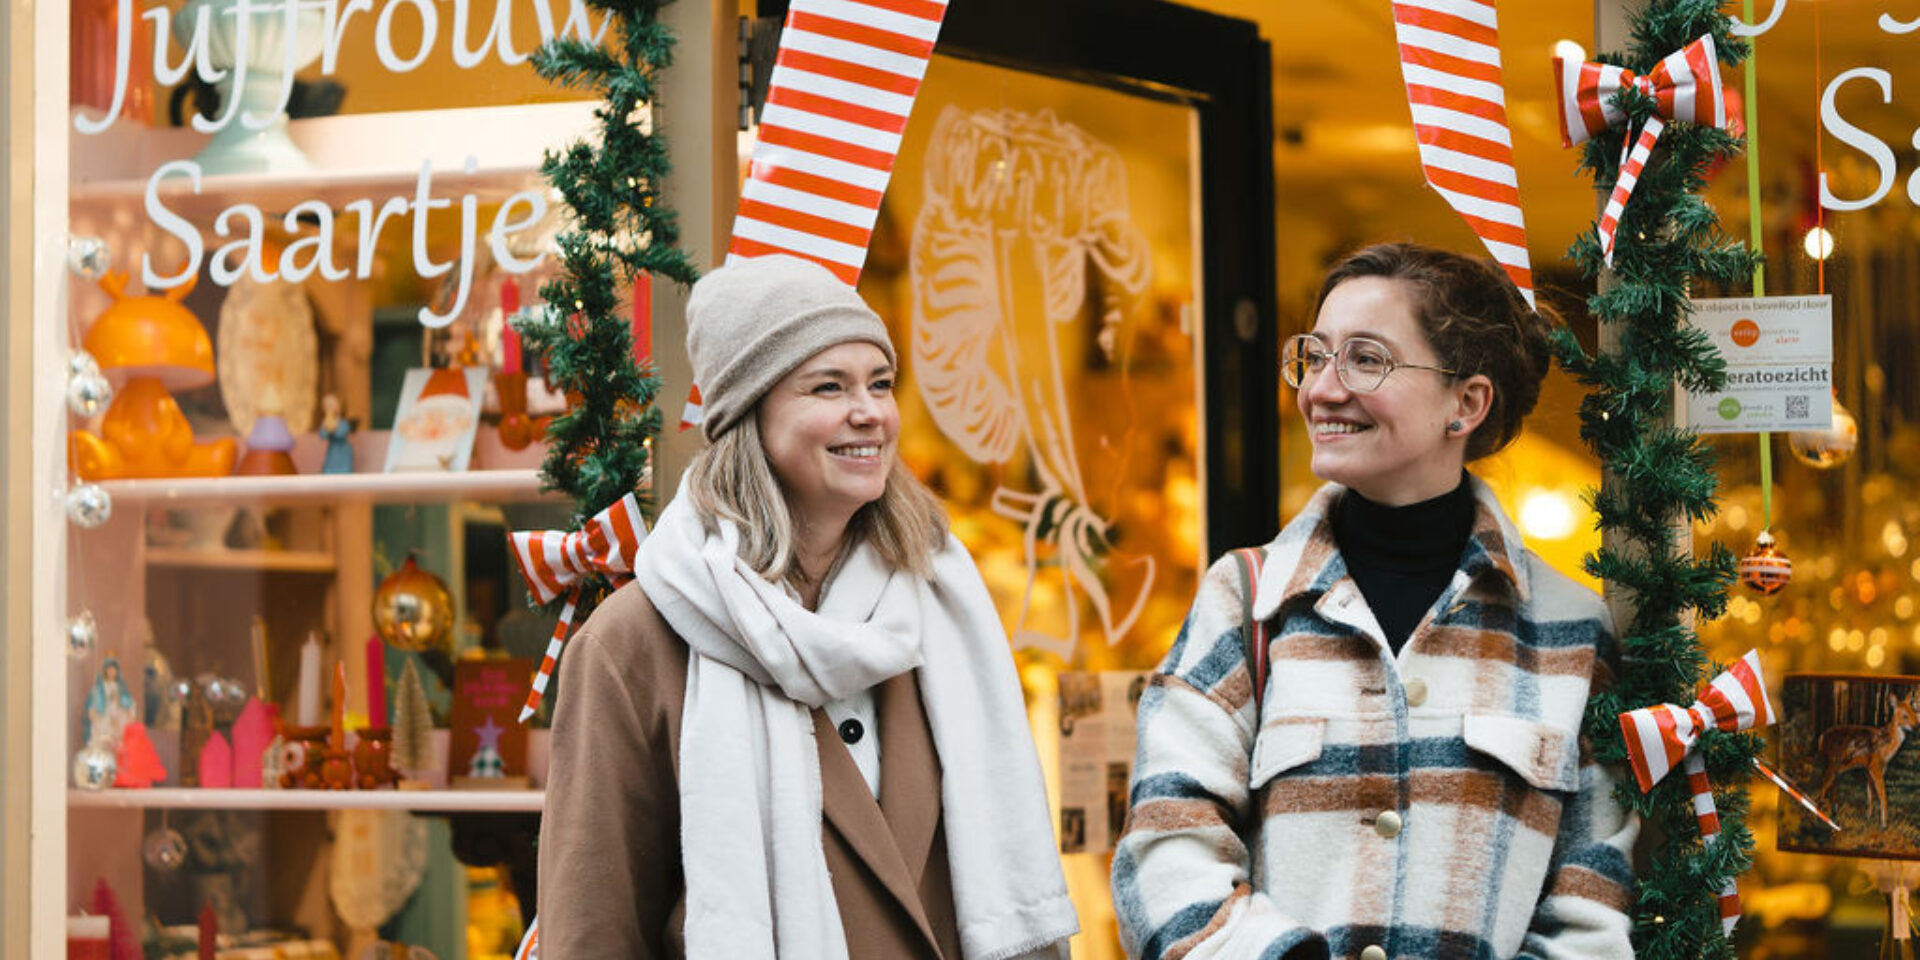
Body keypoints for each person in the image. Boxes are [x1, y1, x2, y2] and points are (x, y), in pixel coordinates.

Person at [538, 254, 1077, 960]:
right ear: (748, 415)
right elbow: (594, 933)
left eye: (880, 384)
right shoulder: (633, 645)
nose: (870, 412)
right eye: (828, 386)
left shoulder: (940, 609)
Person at [1113, 243, 1637, 960]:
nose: (1322, 390)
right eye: (1316, 356)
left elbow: (1594, 897)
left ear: (1467, 402)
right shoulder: (1246, 600)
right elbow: (1164, 849)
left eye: (1366, 360)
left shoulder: (1567, 626)